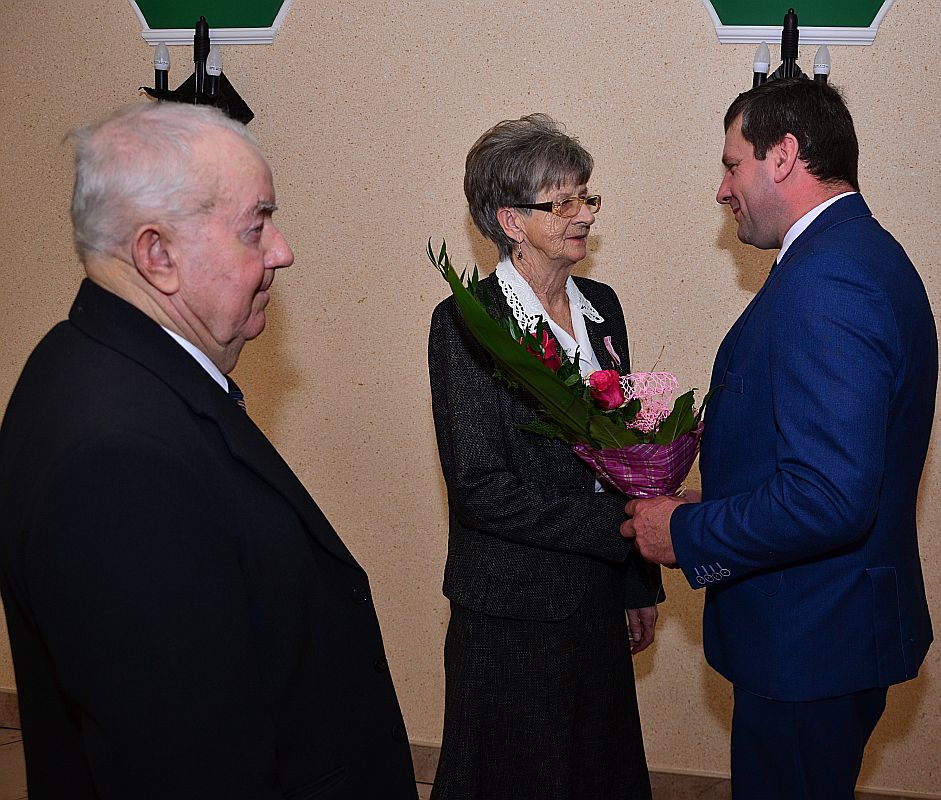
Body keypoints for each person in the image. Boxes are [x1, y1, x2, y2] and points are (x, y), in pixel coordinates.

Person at [0, 102, 418, 799]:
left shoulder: (98, 361)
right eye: (256, 226)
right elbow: (186, 764)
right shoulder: (116, 461)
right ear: (157, 255)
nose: (282, 251)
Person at [621, 78, 938, 798]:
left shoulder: (829, 279)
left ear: (784, 155)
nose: (722, 190)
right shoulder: (853, 255)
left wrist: (687, 533)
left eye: (732, 164)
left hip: (809, 641)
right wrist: (716, 498)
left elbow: (828, 497)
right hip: (825, 632)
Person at [427, 114, 662, 800]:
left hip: (597, 604)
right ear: (511, 221)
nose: (583, 215)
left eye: (585, 197)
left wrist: (636, 584)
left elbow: (622, 457)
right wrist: (622, 533)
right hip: (512, 617)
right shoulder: (466, 323)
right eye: (561, 203)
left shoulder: (603, 308)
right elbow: (481, 487)